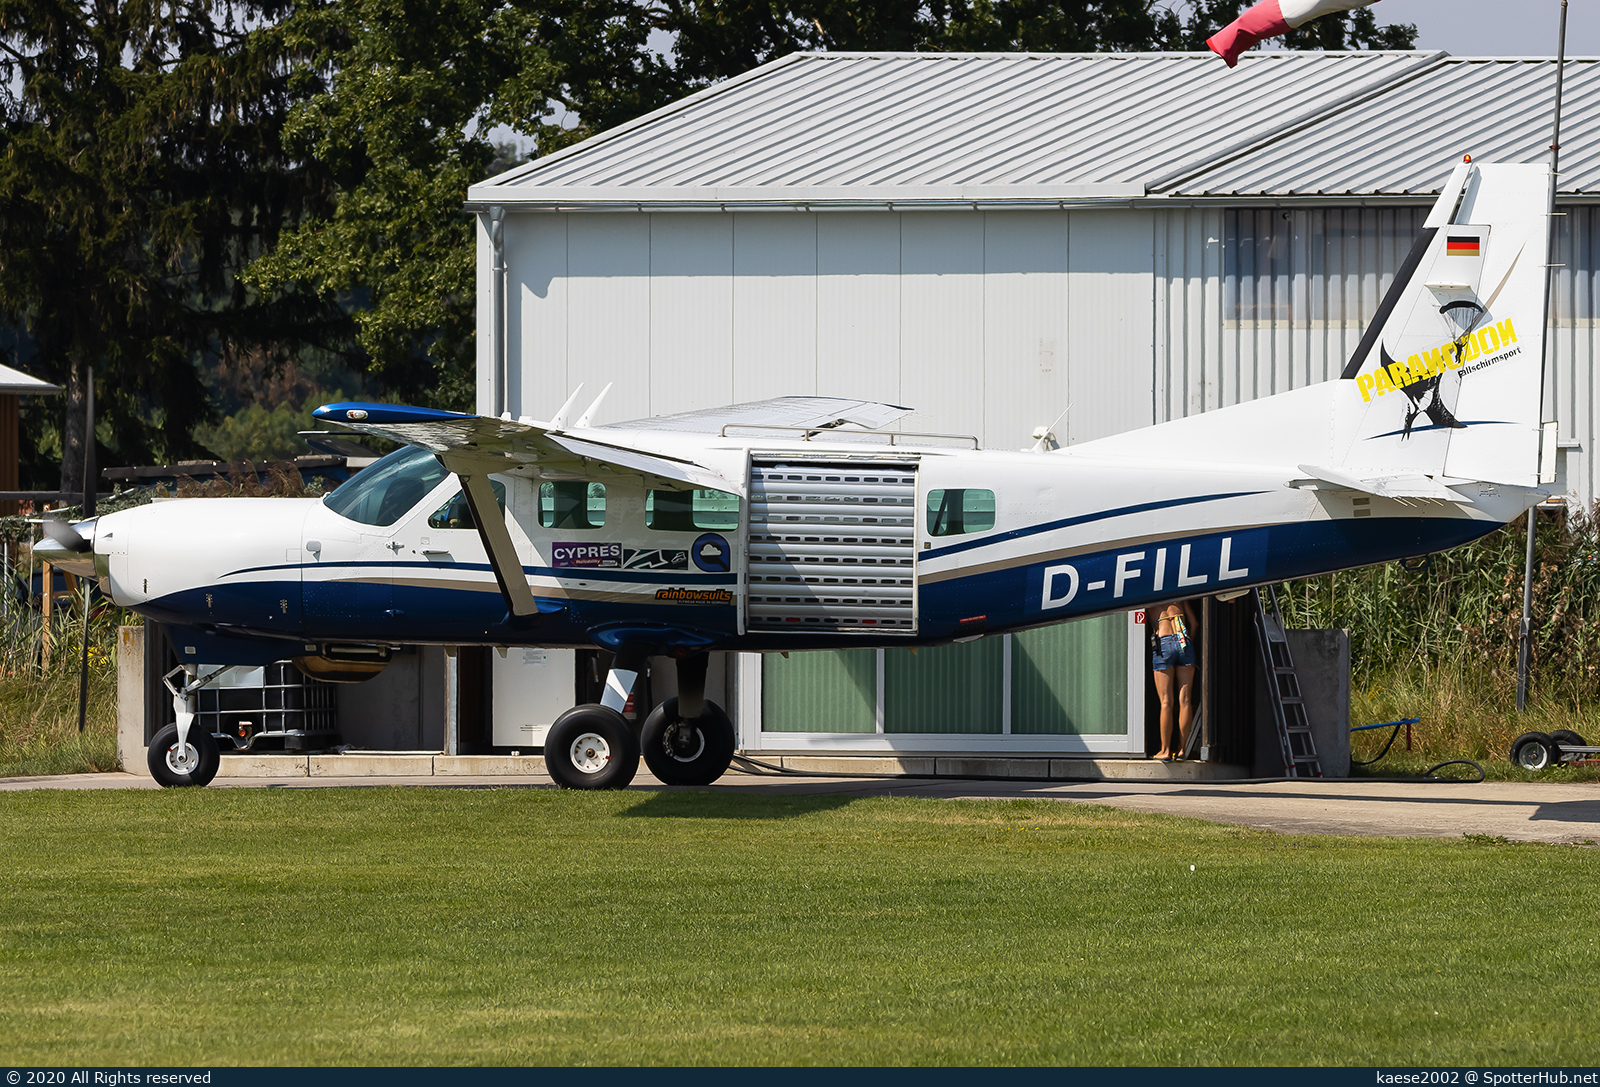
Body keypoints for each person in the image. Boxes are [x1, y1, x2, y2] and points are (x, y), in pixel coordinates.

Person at [1151, 598, 1198, 761]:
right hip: (1184, 640)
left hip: (1163, 642)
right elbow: (1194, 623)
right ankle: (1182, 750)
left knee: (1166, 702)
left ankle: (1165, 750)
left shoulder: (1149, 599)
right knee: (1185, 700)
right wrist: (1188, 643)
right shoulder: (1180, 599)